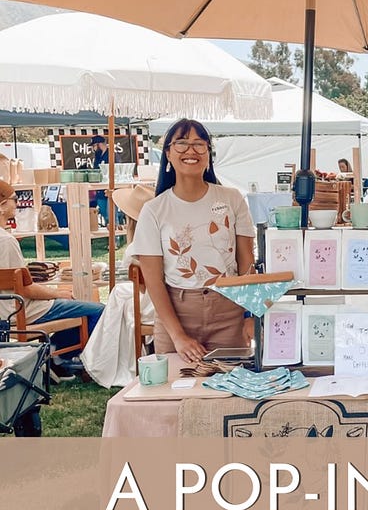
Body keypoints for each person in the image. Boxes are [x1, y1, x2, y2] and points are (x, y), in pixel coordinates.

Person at [132, 119, 255, 364]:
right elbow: (154, 282)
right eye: (182, 143)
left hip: (229, 314)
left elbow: (247, 265)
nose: (191, 151)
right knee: (174, 392)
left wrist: (250, 315)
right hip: (176, 316)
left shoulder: (233, 199)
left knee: (229, 392)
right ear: (167, 153)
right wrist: (178, 336)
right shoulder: (154, 210)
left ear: (209, 153)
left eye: (199, 144)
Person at [0, 179, 105, 375]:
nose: (17, 203)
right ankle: (58, 356)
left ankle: (53, 353)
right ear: (2, 205)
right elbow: (26, 289)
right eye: (15, 199)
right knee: (98, 310)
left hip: (5, 310)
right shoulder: (6, 241)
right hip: (19, 309)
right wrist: (56, 294)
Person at [81, 184, 158, 387]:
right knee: (120, 295)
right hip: (164, 299)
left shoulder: (134, 249)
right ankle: (101, 358)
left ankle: (102, 359)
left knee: (120, 296)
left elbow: (143, 289)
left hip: (154, 306)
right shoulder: (162, 240)